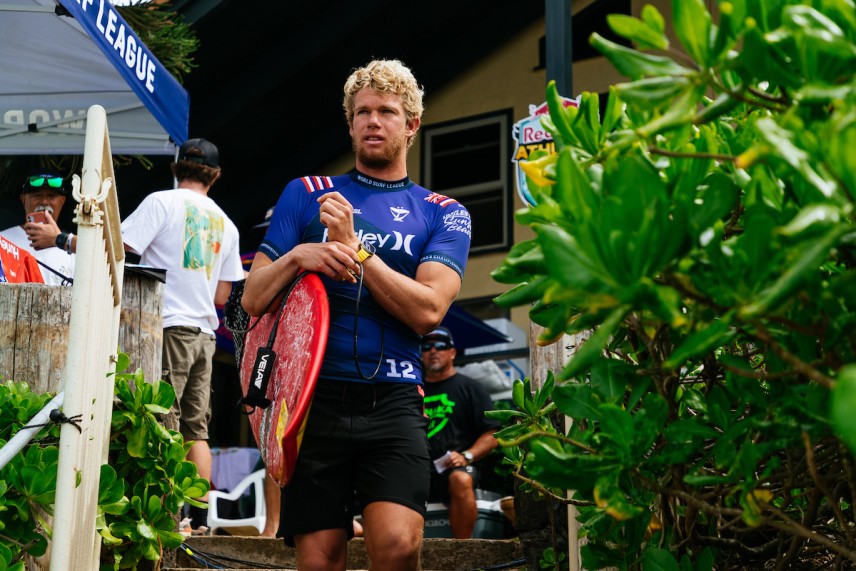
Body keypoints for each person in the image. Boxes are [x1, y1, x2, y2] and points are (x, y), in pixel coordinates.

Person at [242, 59, 471, 570]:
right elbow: (253, 298)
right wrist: (300, 256)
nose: (373, 121)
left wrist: (357, 251)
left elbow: (429, 310)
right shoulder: (305, 192)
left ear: (411, 124)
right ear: (349, 124)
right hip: (311, 401)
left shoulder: (443, 210)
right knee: (319, 560)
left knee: (397, 545)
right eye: (362, 112)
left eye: (387, 111)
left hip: (393, 400)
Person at [121, 138, 244, 532]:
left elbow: (119, 246)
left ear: (176, 167)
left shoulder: (161, 201)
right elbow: (224, 295)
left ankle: (168, 517)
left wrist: (64, 241)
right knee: (196, 428)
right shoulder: (227, 223)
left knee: (164, 420)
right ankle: (200, 517)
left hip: (168, 327)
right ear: (217, 175)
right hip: (205, 333)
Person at [421, 326, 500, 539]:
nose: (433, 351)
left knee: (460, 480)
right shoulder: (413, 390)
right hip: (417, 468)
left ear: (453, 352)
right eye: (426, 346)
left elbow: (492, 435)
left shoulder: (472, 388)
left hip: (456, 469)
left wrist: (466, 456)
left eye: (440, 345)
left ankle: (461, 549)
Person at [0, 168, 75, 285]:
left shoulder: (73, 249)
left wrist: (59, 240)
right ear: (23, 200)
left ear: (62, 202)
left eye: (51, 196)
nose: (44, 201)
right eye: (37, 195)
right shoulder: (2, 240)